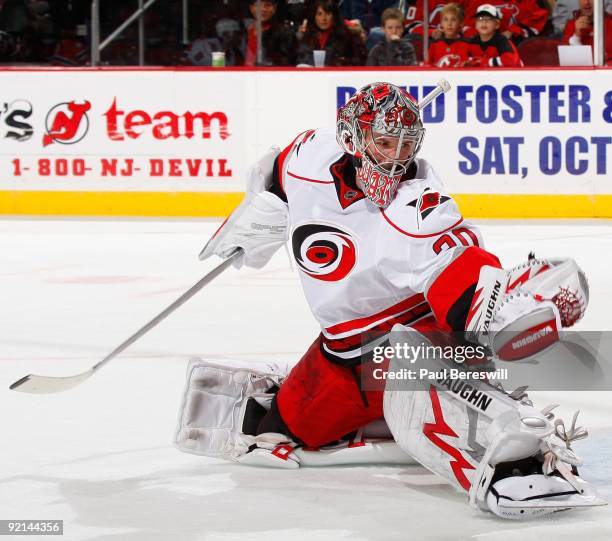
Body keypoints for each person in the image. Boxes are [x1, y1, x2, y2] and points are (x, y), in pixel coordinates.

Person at [197, 82, 596, 517]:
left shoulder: (420, 208)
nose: (395, 159)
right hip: (343, 353)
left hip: (409, 342)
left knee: (425, 360)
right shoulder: (309, 157)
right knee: (285, 429)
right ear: (351, 138)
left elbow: (462, 267)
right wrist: (260, 215)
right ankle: (386, 414)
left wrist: (496, 317)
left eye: (407, 146)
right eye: (385, 143)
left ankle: (518, 444)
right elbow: (277, 172)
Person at [296, 0, 366, 66]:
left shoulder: (346, 36)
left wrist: (341, 62)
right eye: (319, 14)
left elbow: (358, 61)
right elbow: (301, 60)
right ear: (314, 16)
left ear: (334, 16)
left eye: (328, 14)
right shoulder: (307, 36)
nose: (324, 19)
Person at [245, 0, 297, 66]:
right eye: (258, 5)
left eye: (268, 5)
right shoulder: (243, 32)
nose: (263, 9)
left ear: (274, 8)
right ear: (251, 8)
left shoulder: (285, 34)